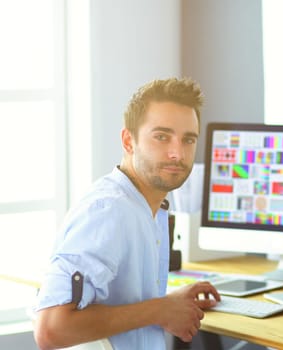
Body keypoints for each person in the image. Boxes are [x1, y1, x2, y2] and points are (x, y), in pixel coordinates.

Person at [33, 77, 221, 350]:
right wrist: (160, 310)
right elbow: (51, 329)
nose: (176, 153)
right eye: (161, 136)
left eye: (188, 140)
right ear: (128, 141)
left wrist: (170, 303)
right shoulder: (109, 211)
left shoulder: (149, 209)